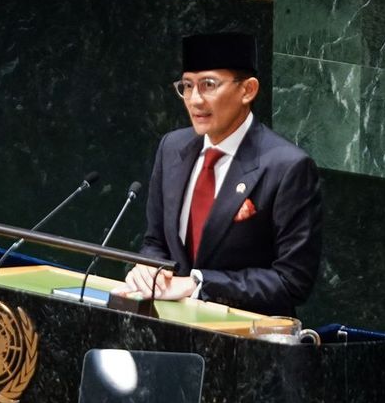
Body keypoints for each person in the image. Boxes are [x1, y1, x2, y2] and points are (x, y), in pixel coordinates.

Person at [114, 31, 322, 316]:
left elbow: (291, 281)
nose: (195, 100)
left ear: (247, 90)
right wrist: (149, 268)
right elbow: (155, 242)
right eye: (187, 86)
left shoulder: (286, 166)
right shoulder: (172, 147)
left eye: (208, 85)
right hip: (169, 328)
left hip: (247, 339)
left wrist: (198, 284)